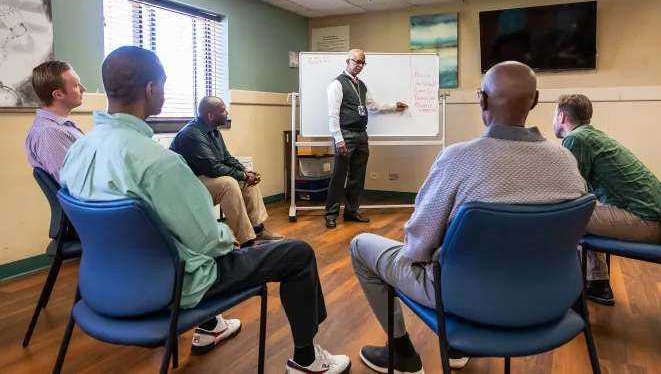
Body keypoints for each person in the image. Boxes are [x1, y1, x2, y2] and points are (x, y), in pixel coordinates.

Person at [60, 46, 350, 373]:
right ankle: (307, 361)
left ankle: (210, 326)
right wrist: (229, 239)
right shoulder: (160, 164)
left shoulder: (78, 152)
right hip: (168, 288)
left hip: (100, 288)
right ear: (151, 89)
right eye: (164, 85)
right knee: (297, 253)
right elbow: (209, 243)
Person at [350, 61, 588, 374]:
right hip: (549, 297)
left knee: (360, 245)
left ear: (482, 100)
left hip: (464, 298)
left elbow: (417, 247)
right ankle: (456, 347)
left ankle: (402, 353)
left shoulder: (458, 159)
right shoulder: (566, 162)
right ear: (534, 101)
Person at [554, 94, 661, 306]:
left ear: (562, 117)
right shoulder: (594, 137)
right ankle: (598, 283)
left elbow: (566, 192)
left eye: (554, 115)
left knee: (567, 217)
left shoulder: (576, 139)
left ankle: (566, 292)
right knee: (581, 212)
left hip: (650, 222)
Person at [170, 96, 284, 247]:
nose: (227, 112)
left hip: (203, 178)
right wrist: (243, 176)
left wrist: (245, 171)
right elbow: (213, 168)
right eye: (223, 110)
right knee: (229, 183)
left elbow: (226, 158)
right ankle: (247, 241)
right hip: (186, 186)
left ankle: (258, 231)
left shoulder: (214, 131)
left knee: (244, 181)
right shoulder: (191, 134)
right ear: (210, 115)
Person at [325, 49, 408, 229]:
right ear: (348, 61)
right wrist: (338, 138)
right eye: (357, 62)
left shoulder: (361, 85)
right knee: (339, 177)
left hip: (362, 135)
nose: (360, 66)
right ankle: (331, 215)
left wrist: (394, 106)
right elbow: (333, 114)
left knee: (358, 177)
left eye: (362, 63)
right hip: (345, 136)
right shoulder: (337, 84)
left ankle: (351, 212)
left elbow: (373, 105)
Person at [25, 61, 85, 183]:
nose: (83, 88)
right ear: (58, 95)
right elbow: (76, 184)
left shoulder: (60, 127)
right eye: (76, 85)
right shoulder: (50, 133)